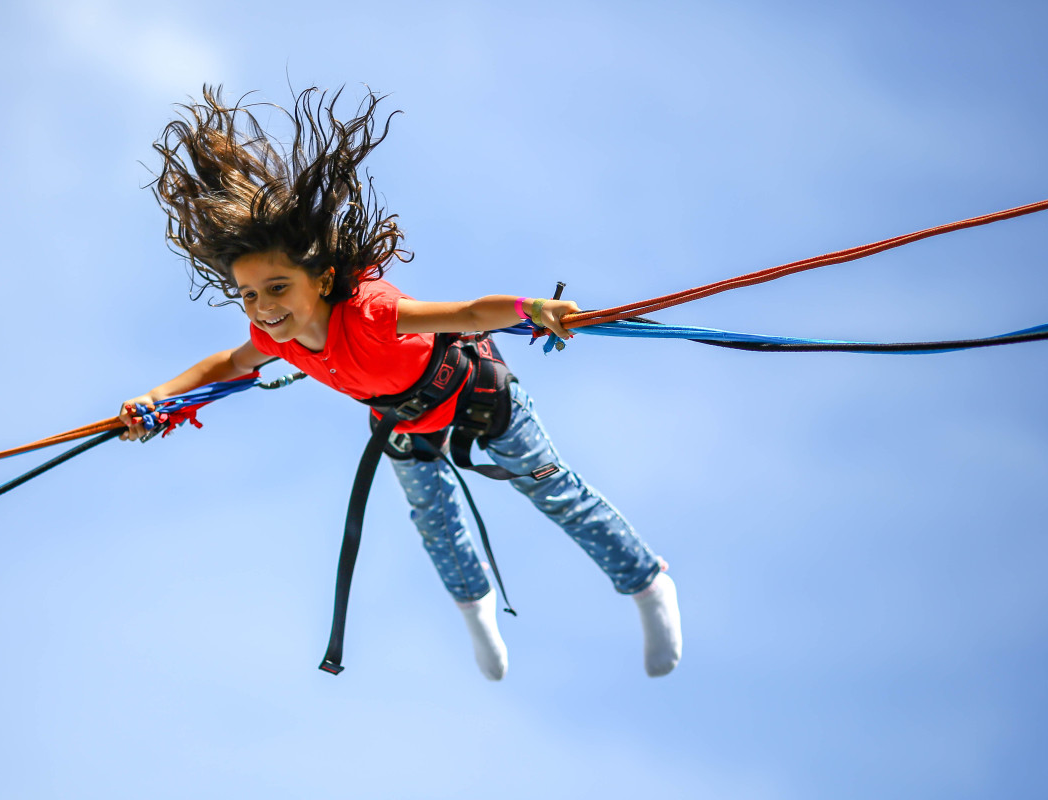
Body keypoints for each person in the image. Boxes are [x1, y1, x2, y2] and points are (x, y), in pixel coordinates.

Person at [119, 86, 681, 680]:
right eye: (249, 295)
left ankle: (648, 585)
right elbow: (226, 366)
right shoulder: (276, 341)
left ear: (322, 277)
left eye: (278, 288)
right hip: (405, 422)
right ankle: (479, 615)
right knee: (435, 525)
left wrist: (532, 308)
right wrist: (157, 401)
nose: (262, 307)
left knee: (555, 495)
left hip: (481, 399)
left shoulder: (371, 311)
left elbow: (466, 315)